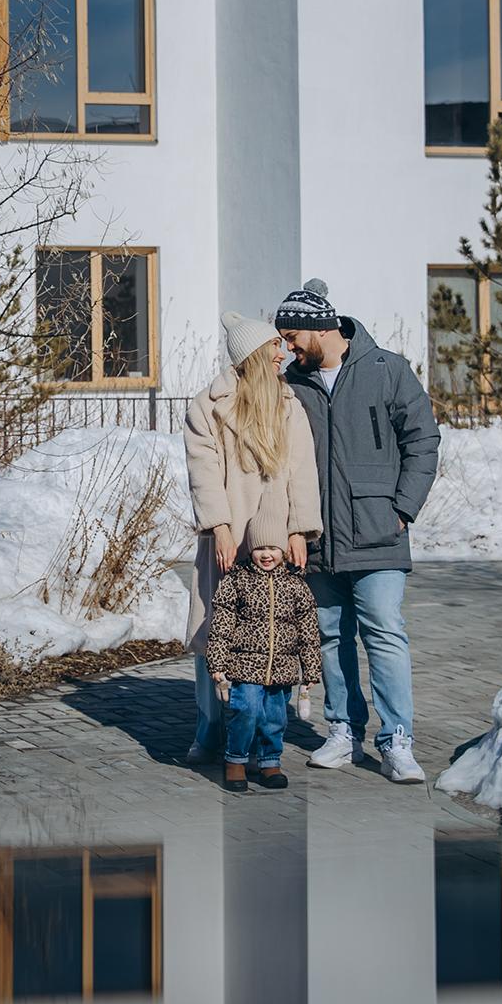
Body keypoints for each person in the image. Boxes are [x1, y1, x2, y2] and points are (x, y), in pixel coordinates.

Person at [275, 277, 441, 784]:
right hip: (318, 534)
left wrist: (404, 507)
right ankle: (343, 731)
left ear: (319, 329)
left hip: (377, 532)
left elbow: (423, 439)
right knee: (329, 636)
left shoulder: (386, 369)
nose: (286, 346)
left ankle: (396, 742)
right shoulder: (293, 383)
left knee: (385, 635)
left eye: (290, 336)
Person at [182, 310, 321, 767]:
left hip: (272, 535)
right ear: (253, 356)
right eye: (274, 347)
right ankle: (211, 729)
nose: (283, 353)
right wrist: (219, 526)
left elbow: (301, 471)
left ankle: (265, 739)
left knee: (272, 632)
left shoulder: (288, 404)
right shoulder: (208, 404)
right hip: (228, 531)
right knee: (217, 630)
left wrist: (298, 529)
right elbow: (203, 472)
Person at [204, 536, 321, 793]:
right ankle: (235, 759)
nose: (266, 555)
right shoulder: (236, 580)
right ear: (251, 550)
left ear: (283, 551)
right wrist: (217, 662)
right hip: (245, 664)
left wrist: (311, 667)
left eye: (272, 548)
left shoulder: (295, 585)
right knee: (246, 709)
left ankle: (270, 761)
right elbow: (222, 626)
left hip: (282, 666)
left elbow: (309, 631)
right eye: (260, 548)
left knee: (275, 717)